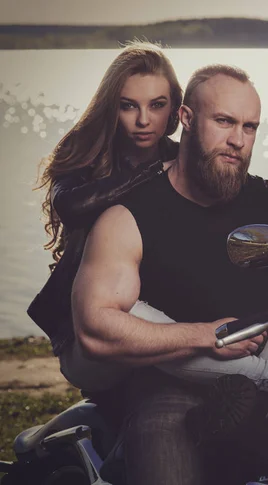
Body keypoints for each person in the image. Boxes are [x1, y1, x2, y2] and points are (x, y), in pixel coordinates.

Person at [71, 64, 268, 485]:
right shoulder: (128, 215)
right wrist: (203, 335)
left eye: (249, 127)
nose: (237, 140)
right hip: (168, 388)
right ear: (186, 120)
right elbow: (96, 325)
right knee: (164, 452)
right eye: (224, 122)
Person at [27, 41, 181, 359]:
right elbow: (69, 206)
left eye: (156, 105)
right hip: (85, 321)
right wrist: (152, 172)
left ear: (175, 108)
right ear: (112, 106)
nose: (143, 120)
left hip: (154, 312)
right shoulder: (85, 151)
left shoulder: (180, 158)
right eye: (128, 106)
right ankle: (266, 376)